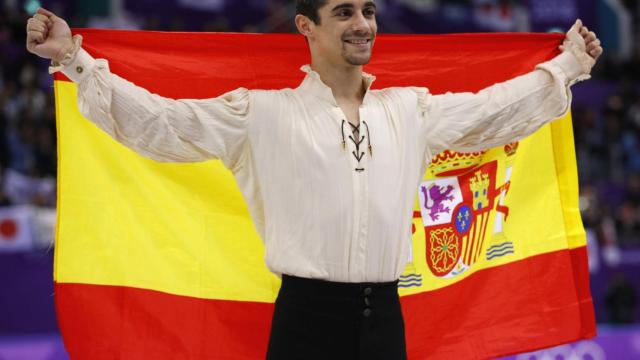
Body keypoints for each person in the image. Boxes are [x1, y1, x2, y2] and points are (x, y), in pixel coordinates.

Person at [26, 1, 603, 359]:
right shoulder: (260, 112)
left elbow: (491, 109)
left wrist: (568, 66)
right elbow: (160, 122)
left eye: (369, 11)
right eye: (345, 11)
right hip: (304, 319)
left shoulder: (410, 110)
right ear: (306, 25)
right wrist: (75, 60)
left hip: (387, 322)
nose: (362, 24)